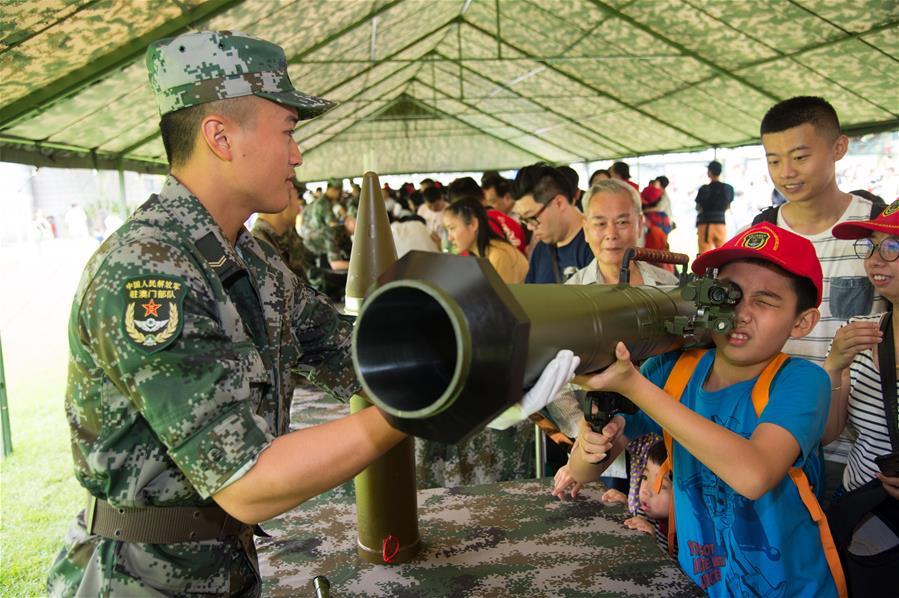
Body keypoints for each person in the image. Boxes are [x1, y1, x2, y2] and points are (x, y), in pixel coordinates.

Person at [45, 31, 414, 596]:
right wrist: (415, 407)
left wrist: (466, 355)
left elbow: (343, 347)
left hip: (221, 567)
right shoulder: (149, 274)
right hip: (141, 582)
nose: (297, 154)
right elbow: (247, 481)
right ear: (220, 137)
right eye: (288, 132)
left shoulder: (248, 255)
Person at [569, 223, 844, 596]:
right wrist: (590, 442)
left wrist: (632, 384)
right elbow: (585, 470)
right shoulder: (674, 370)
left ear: (802, 322)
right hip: (701, 583)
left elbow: (754, 474)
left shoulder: (802, 381)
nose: (740, 314)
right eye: (728, 296)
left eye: (763, 301)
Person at [752, 96, 885, 495]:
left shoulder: (878, 229)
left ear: (838, 149)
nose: (786, 173)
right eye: (773, 160)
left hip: (866, 449)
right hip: (780, 437)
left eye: (800, 156)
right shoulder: (760, 238)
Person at [825, 205, 899, 496]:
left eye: (892, 247)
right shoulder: (857, 333)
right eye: (871, 246)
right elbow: (828, 434)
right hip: (861, 511)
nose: (875, 260)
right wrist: (833, 368)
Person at [513, 163, 592, 283]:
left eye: (531, 217)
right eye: (524, 220)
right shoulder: (540, 250)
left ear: (559, 203)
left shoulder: (596, 244)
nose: (529, 227)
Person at [444, 197, 528, 284]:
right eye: (448, 230)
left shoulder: (499, 255)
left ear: (473, 224)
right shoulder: (482, 256)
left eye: (452, 228)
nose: (449, 238)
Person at [251, 177, 316, 287]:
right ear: (282, 198)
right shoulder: (258, 247)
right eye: (296, 200)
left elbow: (311, 273)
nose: (299, 210)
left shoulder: (287, 236)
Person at [448, 176, 526, 254]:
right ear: (483, 196)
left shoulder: (476, 229)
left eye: (452, 228)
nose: (450, 238)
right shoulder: (511, 222)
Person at [300, 178, 351, 271]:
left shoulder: (321, 201)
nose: (339, 195)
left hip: (312, 238)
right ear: (333, 190)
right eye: (339, 192)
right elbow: (332, 225)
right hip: (316, 241)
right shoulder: (324, 203)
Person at [694, 160, 734, 253]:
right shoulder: (728, 188)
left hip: (705, 225)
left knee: (703, 255)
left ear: (709, 172)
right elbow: (728, 206)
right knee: (721, 254)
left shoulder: (704, 189)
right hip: (721, 224)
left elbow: (698, 208)